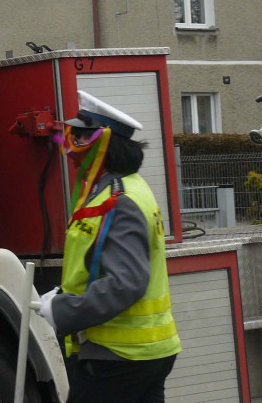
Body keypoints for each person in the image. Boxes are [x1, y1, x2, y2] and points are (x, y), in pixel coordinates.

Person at [39, 91, 181, 403]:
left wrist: (64, 311)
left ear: (102, 144)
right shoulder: (122, 189)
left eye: (78, 139)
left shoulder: (120, 200)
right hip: (141, 353)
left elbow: (126, 282)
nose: (70, 150)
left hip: (122, 356)